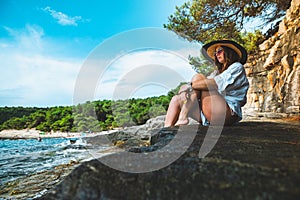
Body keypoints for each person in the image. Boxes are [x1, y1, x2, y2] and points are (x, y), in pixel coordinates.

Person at [164, 40, 249, 127]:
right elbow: (198, 85)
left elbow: (215, 84)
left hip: (227, 113)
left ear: (228, 52)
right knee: (176, 99)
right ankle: (166, 130)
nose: (217, 54)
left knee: (199, 78)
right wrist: (183, 90)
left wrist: (188, 86)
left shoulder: (237, 67)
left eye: (219, 51)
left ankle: (183, 117)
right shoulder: (216, 73)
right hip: (208, 114)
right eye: (215, 53)